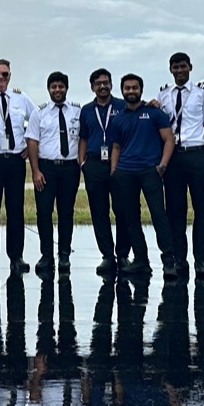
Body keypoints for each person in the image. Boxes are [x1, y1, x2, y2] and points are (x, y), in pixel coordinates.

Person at [106, 73, 179, 278]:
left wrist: (162, 165)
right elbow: (116, 146)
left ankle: (168, 261)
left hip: (150, 171)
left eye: (134, 88)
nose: (131, 91)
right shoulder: (118, 118)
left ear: (141, 89)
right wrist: (114, 170)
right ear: (122, 91)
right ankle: (141, 260)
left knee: (159, 216)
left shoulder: (154, 113)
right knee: (131, 218)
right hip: (125, 173)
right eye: (127, 88)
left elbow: (169, 140)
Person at [157, 52, 204, 277]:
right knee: (175, 209)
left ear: (190, 67)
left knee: (202, 208)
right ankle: (179, 257)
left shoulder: (203, 93)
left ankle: (200, 259)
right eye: (175, 67)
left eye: (183, 66)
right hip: (173, 156)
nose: (179, 70)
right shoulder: (163, 94)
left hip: (197, 153)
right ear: (170, 69)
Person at [0, 59, 36, 275]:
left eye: (4, 74)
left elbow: (36, 120)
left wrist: (29, 147)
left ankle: (16, 256)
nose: (0, 78)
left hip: (15, 160)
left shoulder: (21, 99)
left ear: (10, 76)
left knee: (15, 208)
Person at [27, 71, 82, 270]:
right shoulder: (39, 113)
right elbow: (32, 142)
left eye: (61, 86)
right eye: (53, 87)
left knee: (66, 213)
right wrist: (35, 171)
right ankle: (46, 255)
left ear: (66, 88)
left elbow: (82, 139)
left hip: (70, 169)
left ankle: (64, 254)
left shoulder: (77, 111)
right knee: (44, 212)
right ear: (48, 89)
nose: (57, 90)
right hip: (46, 169)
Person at [78, 70, 122, 275]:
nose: (102, 86)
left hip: (120, 163)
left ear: (111, 84)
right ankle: (107, 255)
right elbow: (83, 138)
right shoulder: (87, 110)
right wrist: (82, 163)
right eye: (98, 84)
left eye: (106, 83)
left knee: (122, 210)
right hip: (94, 163)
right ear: (92, 87)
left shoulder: (122, 106)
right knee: (99, 211)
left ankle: (123, 254)